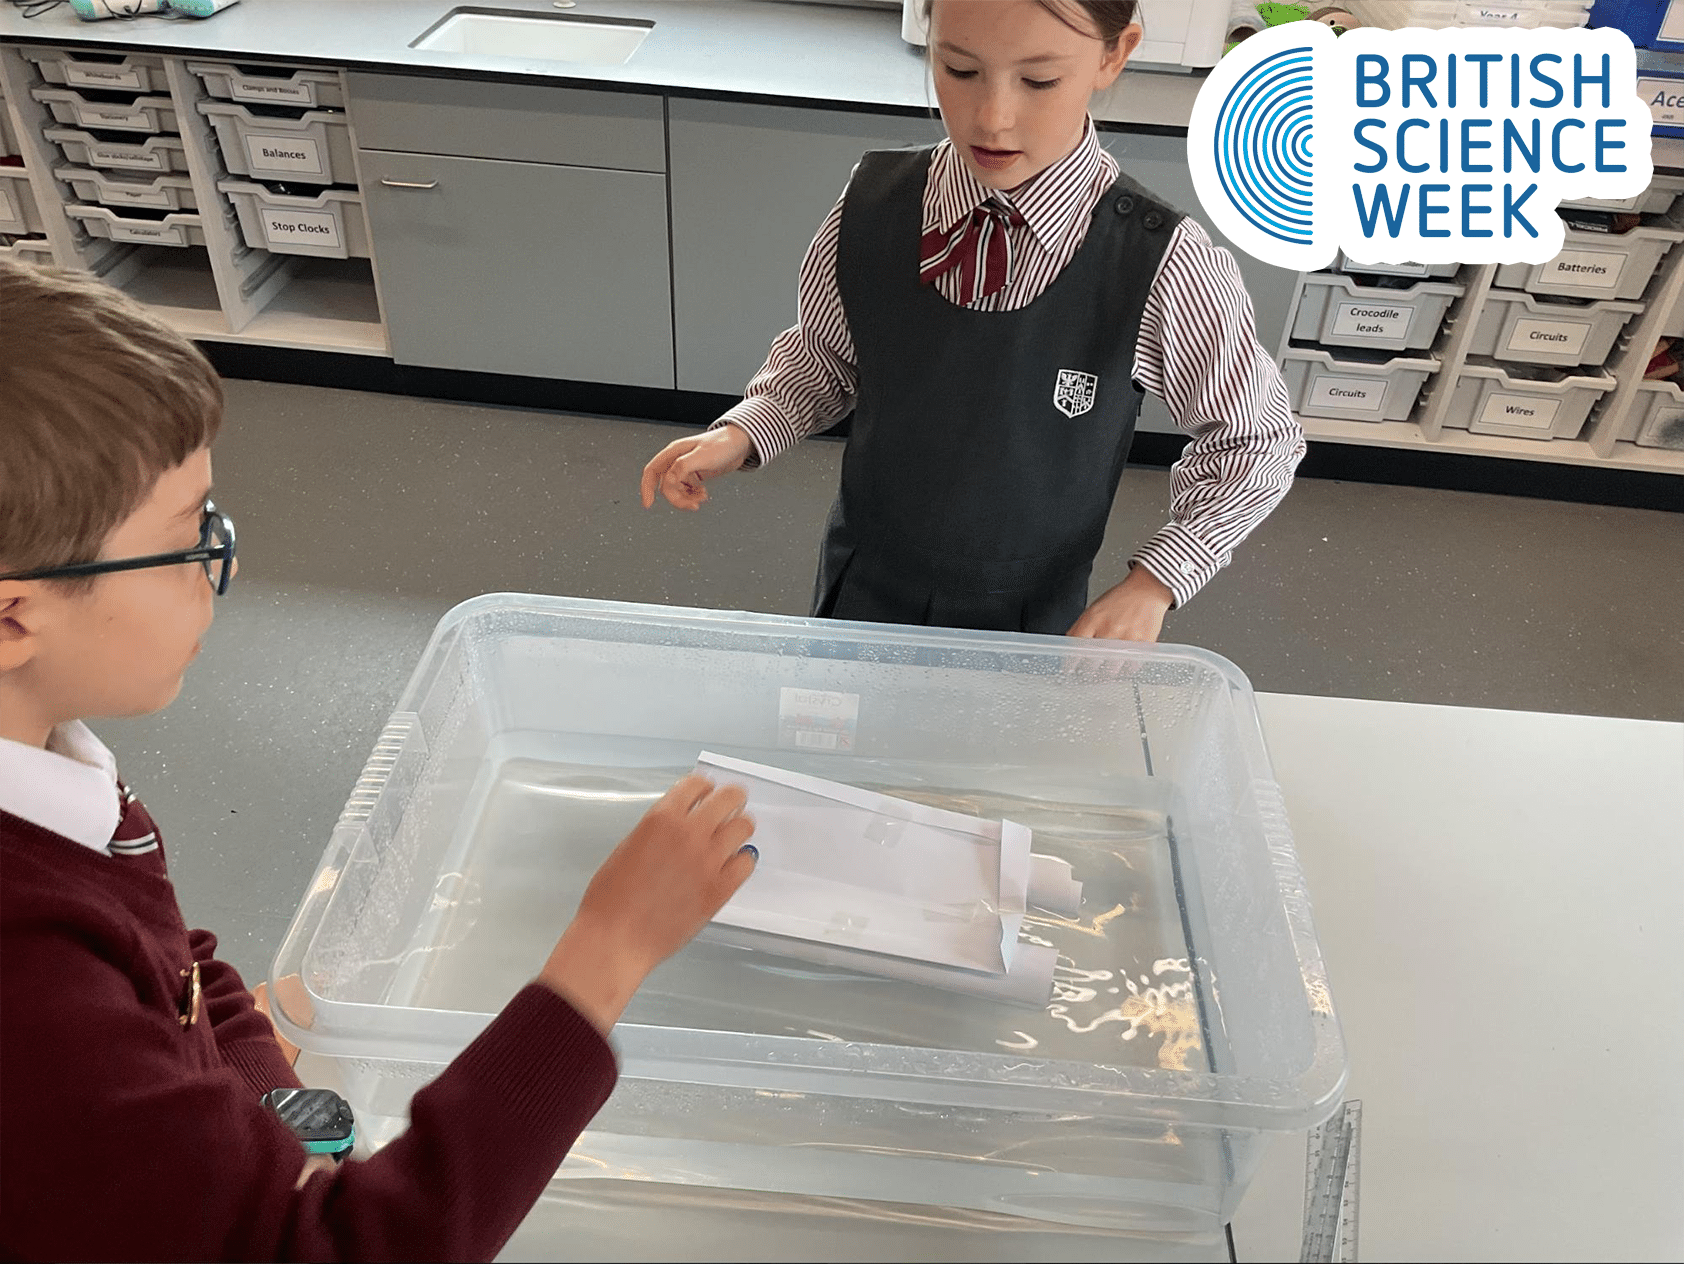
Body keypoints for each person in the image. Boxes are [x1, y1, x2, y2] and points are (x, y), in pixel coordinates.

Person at [0, 259, 759, 1261]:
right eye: (187, 541)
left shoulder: (50, 767)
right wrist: (604, 955)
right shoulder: (34, 996)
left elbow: (181, 971)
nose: (219, 568)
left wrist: (297, 1117)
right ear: (17, 614)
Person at [642, 0, 1305, 642]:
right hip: (865, 584)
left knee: (991, 756)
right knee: (846, 750)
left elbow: (1258, 441)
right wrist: (745, 429)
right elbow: (826, 357)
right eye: (958, 70)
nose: (992, 118)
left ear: (1114, 53)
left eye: (1039, 80)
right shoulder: (875, 202)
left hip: (1031, 617)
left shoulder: (1162, 263)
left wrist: (1155, 581)